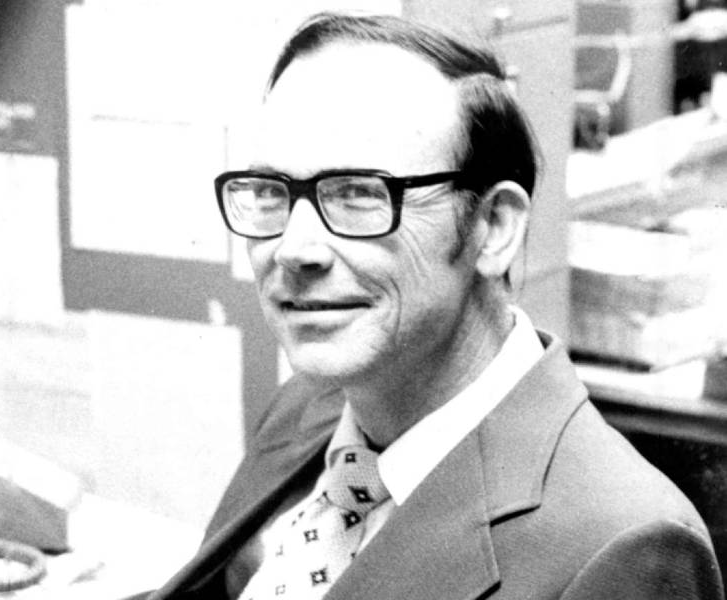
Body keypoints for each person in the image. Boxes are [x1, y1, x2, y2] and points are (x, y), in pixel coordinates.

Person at [137, 12, 724, 600]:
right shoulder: (312, 405)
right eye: (271, 192)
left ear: (492, 228)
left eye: (359, 195)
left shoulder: (622, 546)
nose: (294, 250)